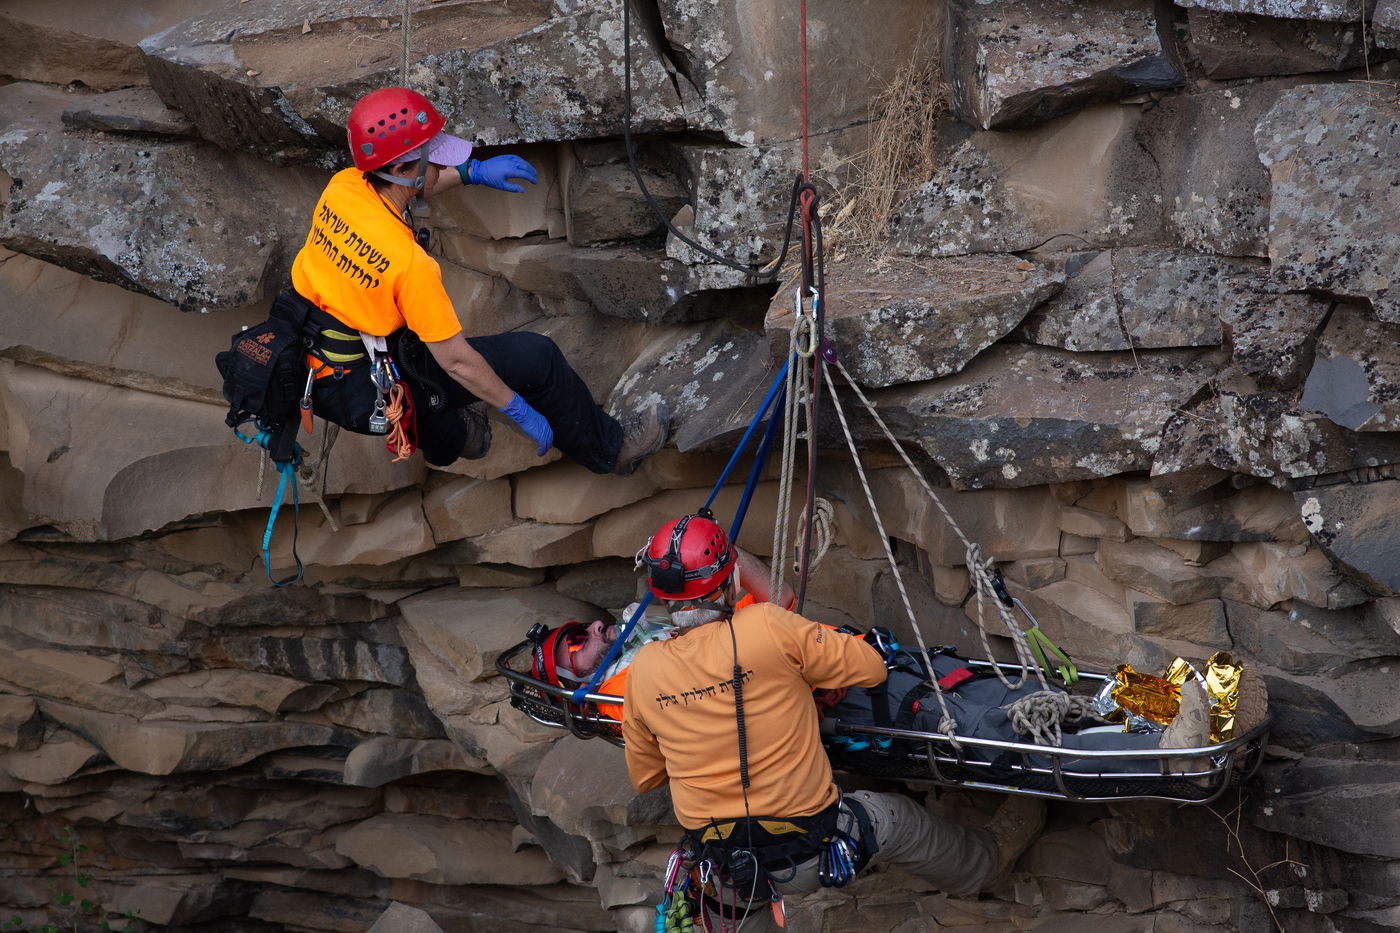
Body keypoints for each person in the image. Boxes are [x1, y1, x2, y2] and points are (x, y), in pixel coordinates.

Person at [620, 514, 1047, 930]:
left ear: (662, 596)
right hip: (809, 850)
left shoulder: (644, 671)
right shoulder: (766, 627)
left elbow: (647, 776)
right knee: (896, 817)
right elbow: (871, 668)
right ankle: (985, 863)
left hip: (725, 871)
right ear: (730, 581)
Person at [287, 86, 666, 472]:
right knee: (538, 358)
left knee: (434, 348)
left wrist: (471, 172)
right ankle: (611, 451)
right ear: (401, 170)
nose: (438, 168)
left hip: (316, 353)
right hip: (365, 384)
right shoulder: (409, 265)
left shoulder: (343, 188)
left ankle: (459, 428)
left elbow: (413, 184)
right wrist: (517, 409)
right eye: (432, 160)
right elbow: (457, 362)